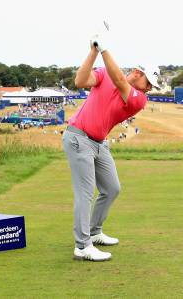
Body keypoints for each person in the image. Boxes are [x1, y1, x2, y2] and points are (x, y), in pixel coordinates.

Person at [63, 31, 162, 262]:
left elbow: (118, 79)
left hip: (99, 143)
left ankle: (95, 231)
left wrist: (105, 48)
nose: (149, 88)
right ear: (138, 73)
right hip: (78, 138)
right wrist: (94, 51)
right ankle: (82, 246)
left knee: (112, 188)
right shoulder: (104, 75)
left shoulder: (138, 98)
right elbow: (80, 81)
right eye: (149, 83)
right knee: (85, 193)